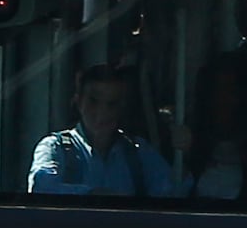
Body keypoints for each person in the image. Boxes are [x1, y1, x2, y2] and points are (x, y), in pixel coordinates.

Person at [27, 65, 182, 199]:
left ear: (122, 108)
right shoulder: (55, 147)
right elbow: (41, 188)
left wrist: (184, 152)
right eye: (94, 101)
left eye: (112, 104)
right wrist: (95, 196)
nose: (102, 112)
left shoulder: (139, 152)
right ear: (78, 102)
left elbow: (174, 193)